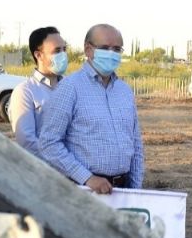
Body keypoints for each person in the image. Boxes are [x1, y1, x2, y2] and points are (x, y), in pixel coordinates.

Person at [39, 23, 144, 194]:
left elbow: (136, 144)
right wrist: (87, 178)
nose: (111, 53)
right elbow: (49, 142)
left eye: (117, 49)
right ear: (88, 50)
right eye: (104, 48)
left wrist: (136, 189)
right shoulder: (69, 88)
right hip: (85, 190)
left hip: (123, 191)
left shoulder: (124, 91)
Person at [10, 26, 68, 155]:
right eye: (57, 51)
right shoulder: (25, 92)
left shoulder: (71, 87)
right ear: (38, 55)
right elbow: (27, 142)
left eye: (64, 49)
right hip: (47, 170)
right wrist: (64, 163)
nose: (63, 55)